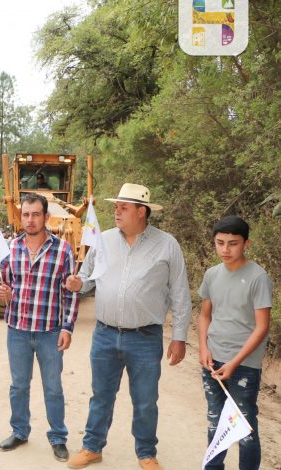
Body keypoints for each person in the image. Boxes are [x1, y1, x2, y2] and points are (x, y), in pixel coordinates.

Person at [65, 183, 192, 470]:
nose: (117, 212)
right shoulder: (103, 240)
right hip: (105, 334)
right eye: (116, 207)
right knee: (101, 395)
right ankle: (92, 448)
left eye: (123, 207)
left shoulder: (167, 245)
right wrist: (77, 283)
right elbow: (87, 278)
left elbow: (180, 293)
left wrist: (179, 337)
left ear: (141, 212)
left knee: (145, 400)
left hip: (145, 337)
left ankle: (146, 453)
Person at [0, 193, 78, 462]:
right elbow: (4, 284)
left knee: (53, 387)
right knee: (19, 386)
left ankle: (58, 437)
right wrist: (4, 293)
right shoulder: (11, 248)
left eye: (35, 214)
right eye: (26, 215)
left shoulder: (63, 250)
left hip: (50, 332)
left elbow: (71, 293)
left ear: (46, 217)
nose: (30, 220)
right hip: (17, 330)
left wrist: (67, 328)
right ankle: (19, 431)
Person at [198, 216, 272, 470]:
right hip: (213, 361)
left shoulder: (258, 277)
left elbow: (262, 326)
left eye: (233, 243)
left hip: (244, 365)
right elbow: (205, 315)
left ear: (246, 244)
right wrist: (204, 348)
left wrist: (235, 362)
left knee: (244, 426)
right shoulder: (211, 275)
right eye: (220, 243)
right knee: (214, 420)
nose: (225, 249)